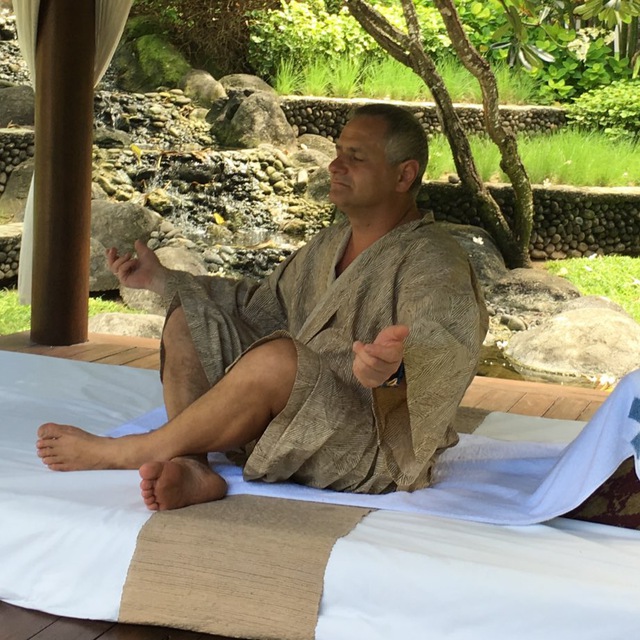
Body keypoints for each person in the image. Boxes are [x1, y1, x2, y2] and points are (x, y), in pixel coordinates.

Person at [36, 103, 488, 511]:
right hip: (288, 420)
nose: (335, 166)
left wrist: (392, 372)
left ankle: (130, 450)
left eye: (355, 157)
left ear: (404, 176)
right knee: (190, 317)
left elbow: (444, 351)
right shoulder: (328, 243)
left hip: (363, 445)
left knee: (277, 360)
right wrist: (163, 280)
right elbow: (259, 307)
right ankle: (192, 464)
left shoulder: (434, 259)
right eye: (337, 152)